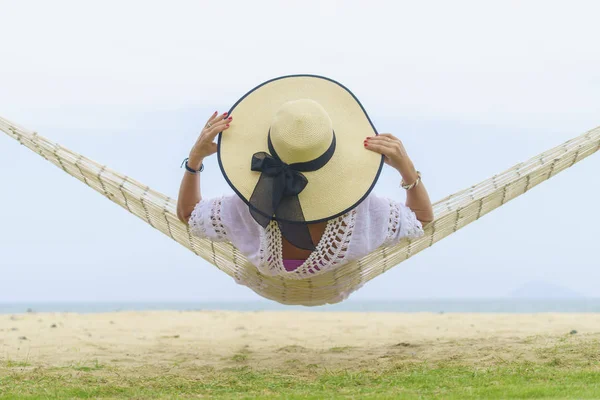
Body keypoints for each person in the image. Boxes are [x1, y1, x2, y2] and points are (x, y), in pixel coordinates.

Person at [176, 75, 433, 279]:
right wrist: (407, 169)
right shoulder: (363, 213)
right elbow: (423, 219)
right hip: (337, 284)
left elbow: (188, 214)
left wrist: (195, 160)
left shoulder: (247, 208)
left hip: (267, 278)